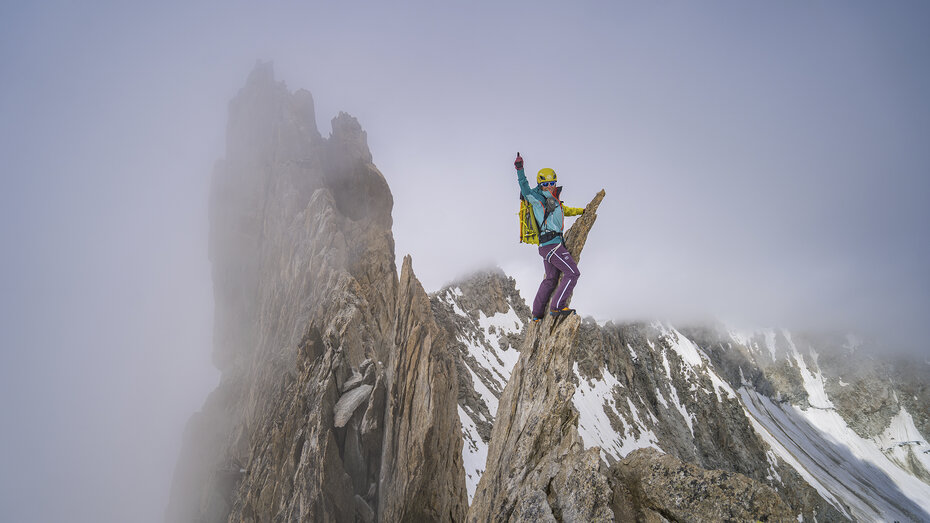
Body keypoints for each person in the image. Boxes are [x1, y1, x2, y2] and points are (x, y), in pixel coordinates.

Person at [514, 152, 584, 321]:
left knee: (551, 279)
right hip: (552, 245)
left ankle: (537, 313)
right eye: (545, 184)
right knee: (573, 273)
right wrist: (520, 169)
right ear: (540, 184)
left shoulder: (555, 201)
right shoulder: (537, 200)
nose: (550, 186)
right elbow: (524, 187)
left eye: (552, 183)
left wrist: (583, 211)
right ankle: (557, 307)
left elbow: (566, 211)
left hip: (549, 246)